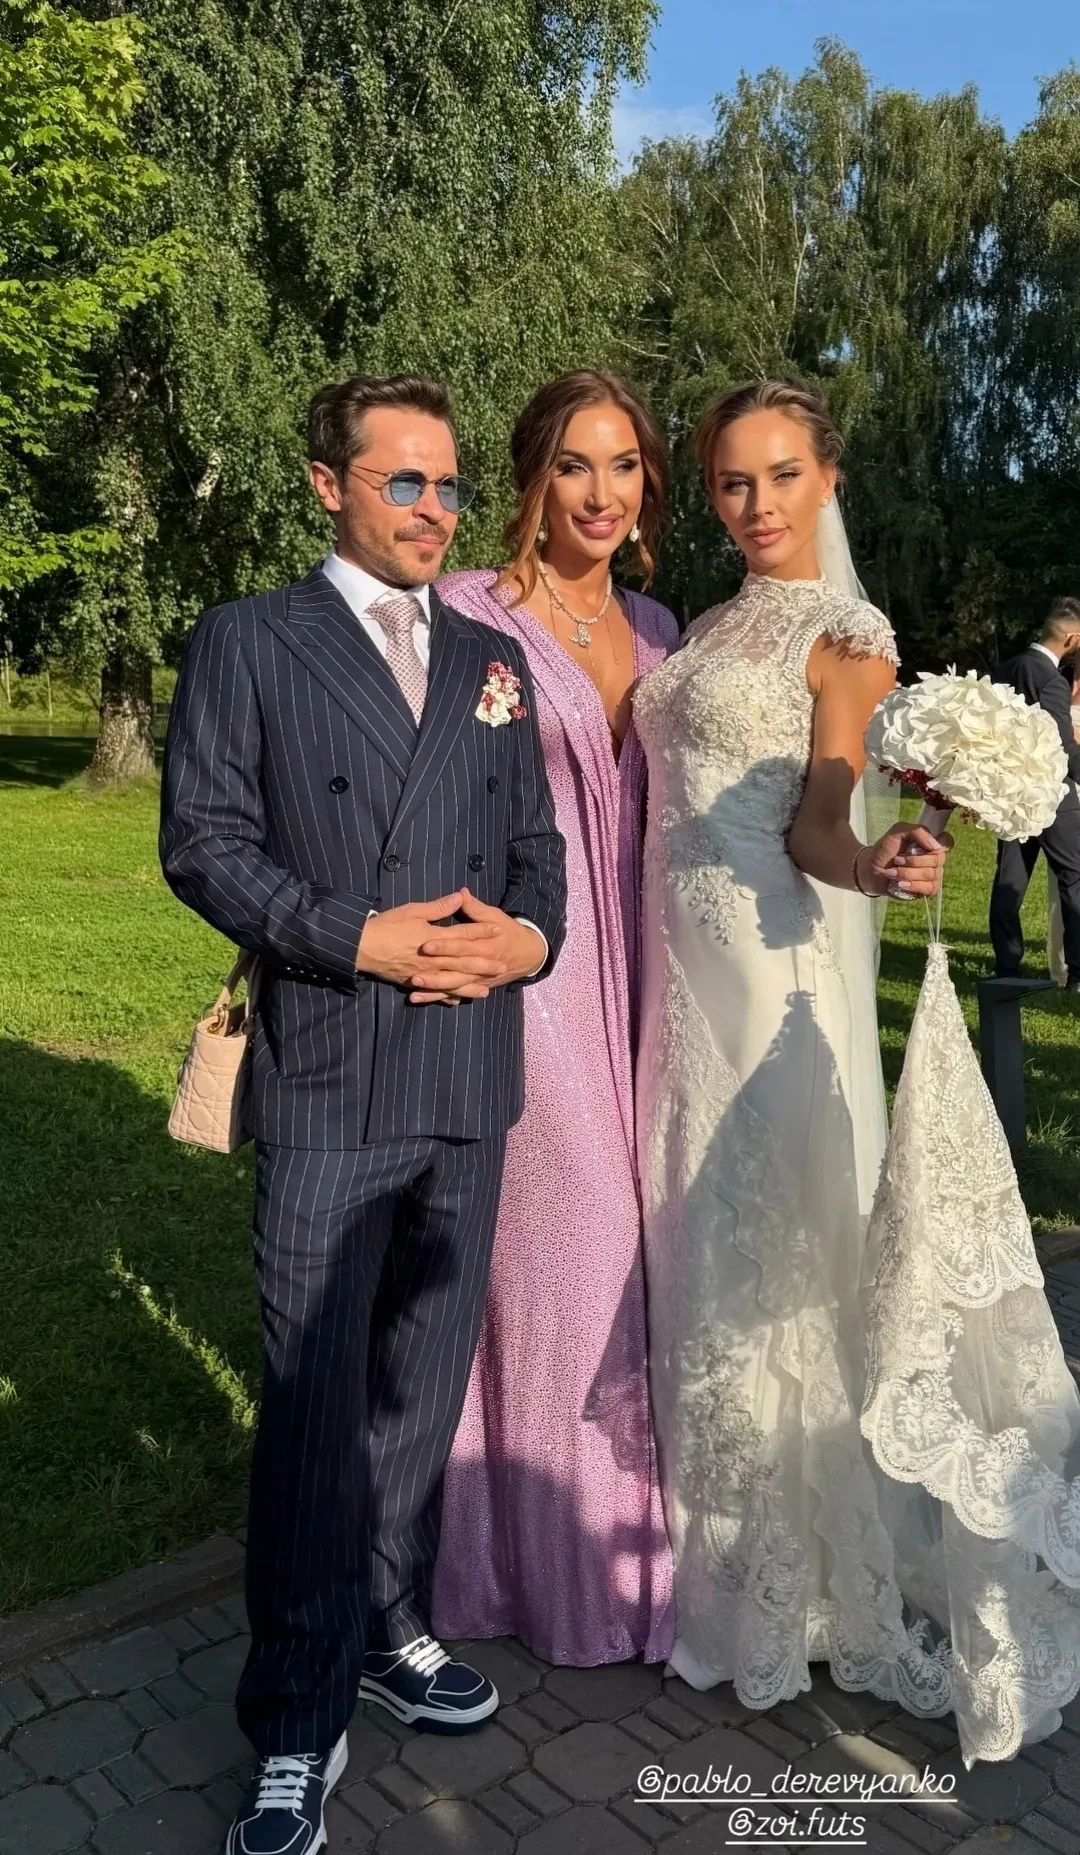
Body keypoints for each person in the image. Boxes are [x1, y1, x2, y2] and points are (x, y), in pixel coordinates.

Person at [160, 375, 567, 1855]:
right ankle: (294, 1716)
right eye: (404, 482)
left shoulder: (490, 654)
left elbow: (534, 845)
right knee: (314, 1408)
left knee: (419, 1388)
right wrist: (358, 936)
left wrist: (529, 940)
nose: (435, 510)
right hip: (334, 1067)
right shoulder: (250, 638)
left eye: (449, 486)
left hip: (468, 1071)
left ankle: (389, 1623)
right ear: (327, 484)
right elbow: (204, 842)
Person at [632, 379, 961, 1742]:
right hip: (672, 972)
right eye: (731, 480)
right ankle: (696, 1549)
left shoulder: (847, 634)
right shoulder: (707, 623)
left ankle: (798, 1584)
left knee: (766, 1252)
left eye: (780, 475)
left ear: (828, 478)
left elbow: (823, 814)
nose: (756, 503)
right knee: (695, 1238)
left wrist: (870, 862)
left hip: (765, 967)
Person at [432, 371, 676, 1665]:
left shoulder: (662, 625)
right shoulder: (469, 612)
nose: (600, 491)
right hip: (532, 973)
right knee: (576, 1241)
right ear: (532, 475)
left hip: (655, 971)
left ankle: (627, 1543)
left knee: (648, 1246)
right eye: (574, 464)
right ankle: (560, 1578)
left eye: (623, 464)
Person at [989, 600, 1080, 992]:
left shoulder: (1005, 669)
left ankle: (1008, 967)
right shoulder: (1051, 680)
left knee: (1010, 880)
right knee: (1075, 877)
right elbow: (1063, 748)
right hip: (1052, 795)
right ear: (1072, 639)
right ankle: (1078, 973)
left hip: (1011, 793)